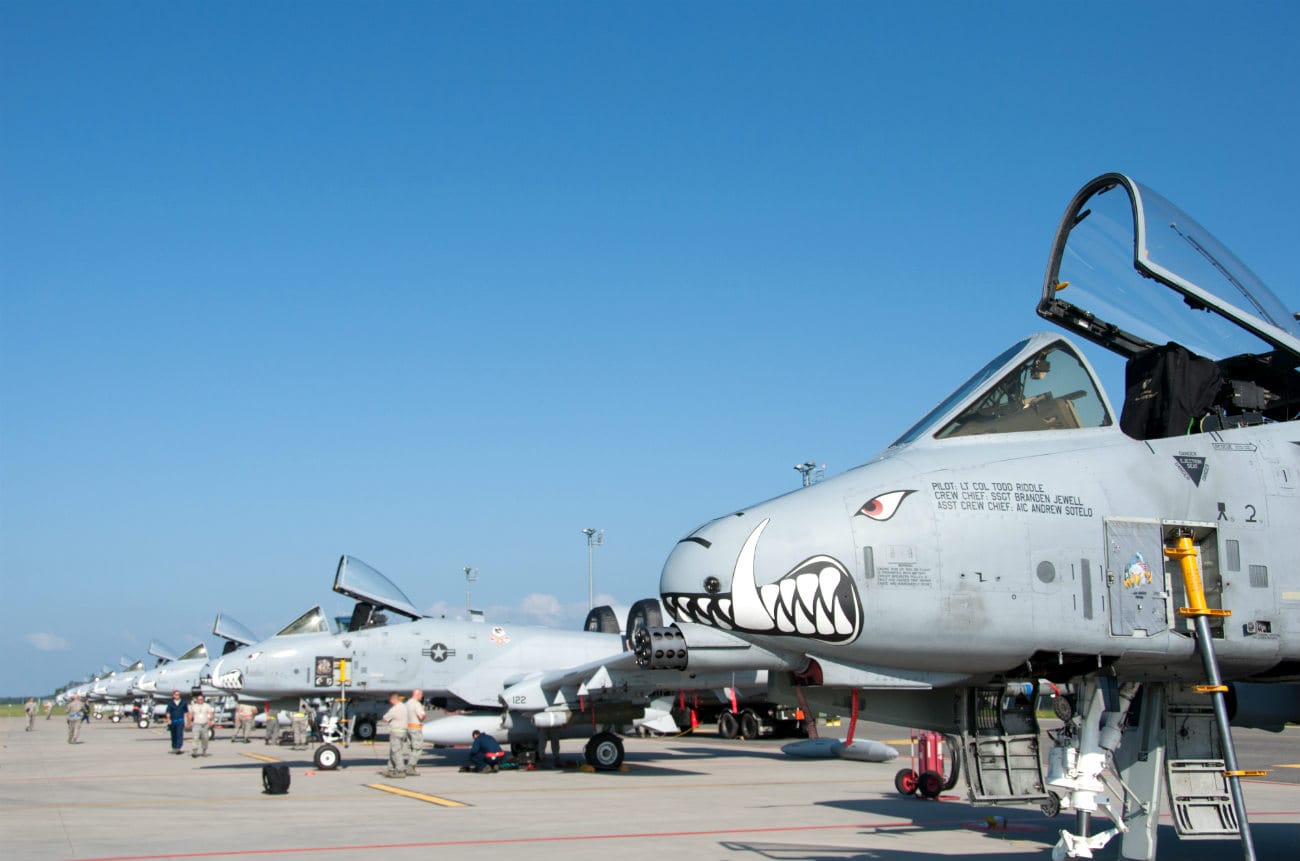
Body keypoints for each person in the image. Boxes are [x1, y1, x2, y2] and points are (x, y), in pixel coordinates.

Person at [379, 692, 408, 779]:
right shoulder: (404, 707)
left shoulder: (394, 709)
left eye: (390, 700)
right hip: (403, 731)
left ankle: (400, 770)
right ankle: (390, 769)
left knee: (396, 752)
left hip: (396, 732)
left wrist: (383, 720)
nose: (390, 701)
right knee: (394, 751)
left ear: (393, 699)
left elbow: (385, 719)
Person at [403, 689, 427, 776]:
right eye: (421, 695)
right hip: (415, 729)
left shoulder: (407, 703)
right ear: (418, 694)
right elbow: (421, 717)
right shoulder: (417, 704)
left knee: (411, 748)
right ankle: (411, 767)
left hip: (408, 728)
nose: (422, 696)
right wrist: (423, 710)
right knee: (417, 748)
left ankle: (409, 765)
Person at [188, 693, 215, 757]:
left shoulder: (207, 706)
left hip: (204, 724)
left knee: (205, 738)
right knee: (195, 738)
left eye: (201, 699)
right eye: (199, 699)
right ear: (197, 700)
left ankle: (204, 751)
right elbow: (190, 715)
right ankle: (194, 751)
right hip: (196, 724)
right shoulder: (193, 706)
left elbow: (210, 713)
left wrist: (211, 720)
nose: (200, 700)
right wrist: (188, 723)